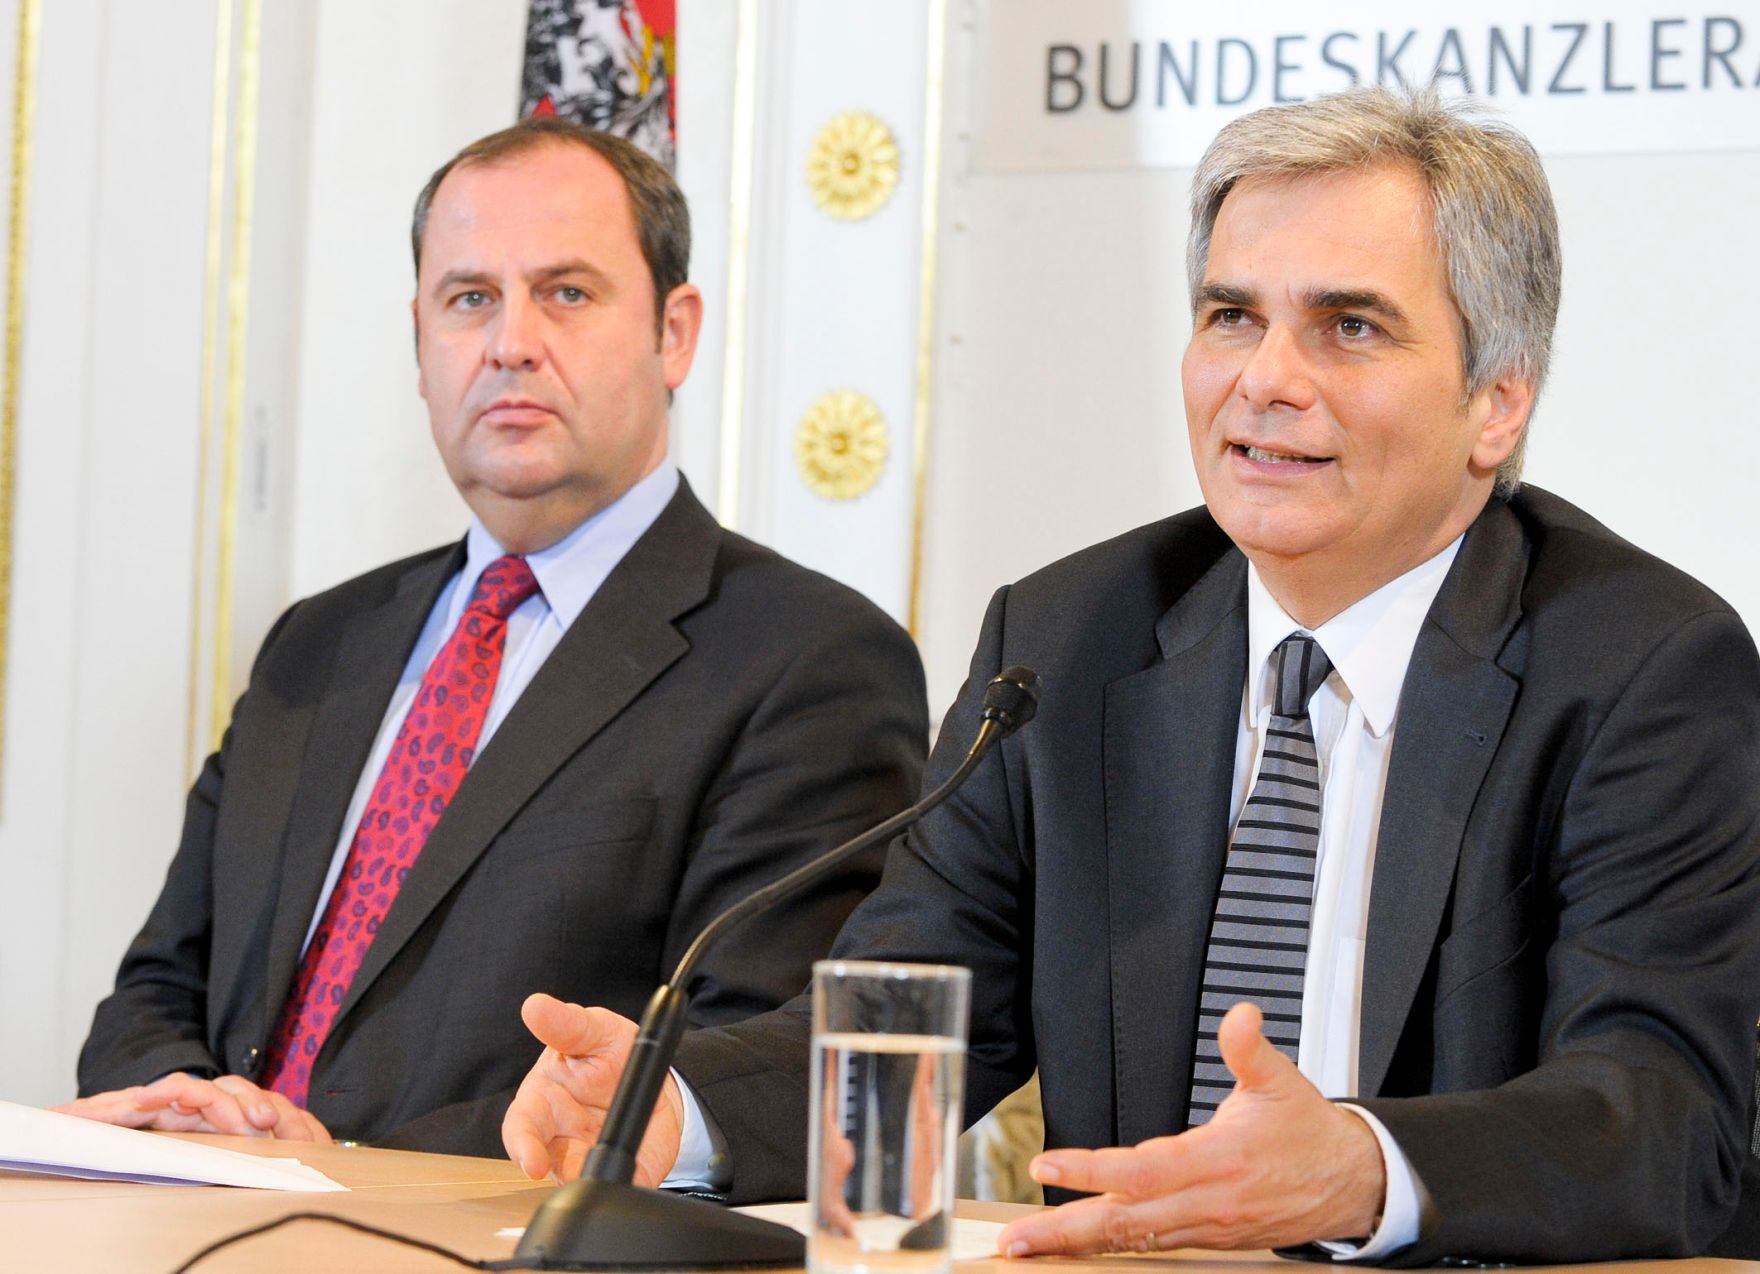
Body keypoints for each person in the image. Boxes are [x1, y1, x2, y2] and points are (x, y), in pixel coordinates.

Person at [500, 86, 1760, 1264]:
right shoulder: (1064, 641)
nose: (1264, 378)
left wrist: (1362, 1169)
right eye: (1230, 315)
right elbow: (923, 1018)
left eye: (1349, 325)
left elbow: (1665, 1114)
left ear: (1495, 402)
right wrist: (673, 1105)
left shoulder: (1642, 670)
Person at [60, 118, 928, 1158]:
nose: (510, 341)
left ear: (674, 332)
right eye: (469, 297)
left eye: (566, 292)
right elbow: (161, 982)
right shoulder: (317, 641)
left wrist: (331, 1158)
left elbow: (743, 1055)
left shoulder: (808, 658)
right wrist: (190, 1111)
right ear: (420, 344)